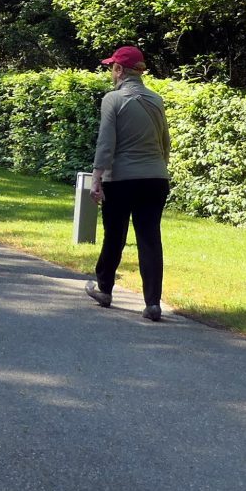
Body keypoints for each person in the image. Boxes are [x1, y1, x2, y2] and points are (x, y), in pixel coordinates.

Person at [85, 44, 173, 320]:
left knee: (115, 235)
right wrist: (159, 168)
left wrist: (97, 178)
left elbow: (106, 143)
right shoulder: (156, 100)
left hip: (121, 178)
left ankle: (105, 289)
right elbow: (165, 143)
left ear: (120, 70)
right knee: (149, 238)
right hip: (155, 178)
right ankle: (152, 304)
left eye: (113, 67)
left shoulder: (113, 99)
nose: (111, 72)